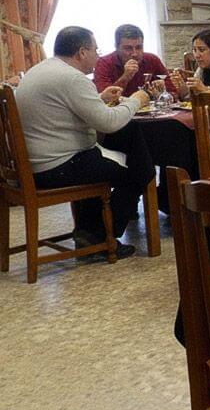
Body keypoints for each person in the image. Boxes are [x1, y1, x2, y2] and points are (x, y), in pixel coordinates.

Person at [16, 26, 154, 260]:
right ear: (81, 52)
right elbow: (109, 123)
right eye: (95, 50)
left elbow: (61, 110)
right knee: (139, 172)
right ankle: (101, 237)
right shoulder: (72, 78)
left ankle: (88, 231)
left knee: (106, 152)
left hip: (34, 164)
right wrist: (136, 101)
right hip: (56, 168)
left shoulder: (43, 70)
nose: (98, 55)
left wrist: (99, 99)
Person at [93, 24, 176, 96]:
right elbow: (104, 100)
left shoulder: (152, 59)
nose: (134, 53)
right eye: (128, 48)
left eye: (139, 47)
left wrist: (162, 90)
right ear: (116, 47)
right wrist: (125, 77)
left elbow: (174, 92)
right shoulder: (104, 63)